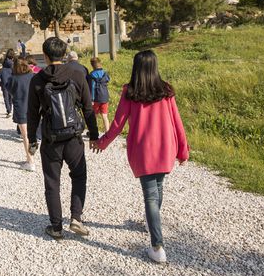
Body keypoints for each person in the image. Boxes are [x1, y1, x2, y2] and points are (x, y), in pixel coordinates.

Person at [97, 50, 189, 264]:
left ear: (136, 67)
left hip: (143, 152)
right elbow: (178, 123)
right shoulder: (166, 90)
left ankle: (157, 246)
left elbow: (118, 124)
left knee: (150, 196)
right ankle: (151, 222)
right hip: (166, 148)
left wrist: (103, 142)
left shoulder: (130, 91)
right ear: (155, 66)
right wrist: (183, 150)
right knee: (157, 190)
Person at [27, 37, 100, 239]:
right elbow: (87, 107)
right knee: (79, 176)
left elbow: (32, 113)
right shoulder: (77, 73)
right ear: (65, 54)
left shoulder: (38, 79)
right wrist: (93, 135)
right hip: (73, 137)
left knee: (52, 182)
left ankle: (56, 226)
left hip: (51, 138)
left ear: (45, 56)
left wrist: (32, 139)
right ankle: (76, 217)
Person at [8, 57, 36, 171]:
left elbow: (10, 91)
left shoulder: (13, 79)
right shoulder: (33, 76)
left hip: (21, 109)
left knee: (25, 136)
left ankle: (30, 161)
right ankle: (33, 157)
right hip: (33, 108)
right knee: (33, 134)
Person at [88, 57, 111, 131]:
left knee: (94, 116)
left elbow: (92, 87)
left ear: (92, 65)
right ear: (100, 64)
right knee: (104, 115)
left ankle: (94, 131)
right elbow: (108, 79)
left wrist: (92, 99)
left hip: (96, 99)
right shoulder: (105, 73)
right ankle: (107, 132)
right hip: (105, 97)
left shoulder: (92, 75)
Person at [0, 49, 15, 117]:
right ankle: (10, 109)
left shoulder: (1, 70)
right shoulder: (12, 69)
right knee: (10, 97)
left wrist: (0, 84)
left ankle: (9, 110)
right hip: (11, 84)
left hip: (4, 85)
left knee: (6, 98)